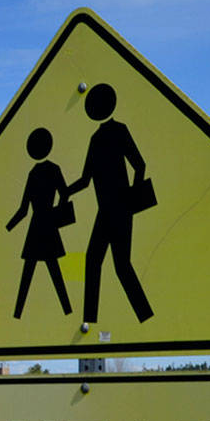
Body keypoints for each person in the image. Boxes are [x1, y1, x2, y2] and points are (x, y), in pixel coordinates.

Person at [68, 83, 154, 323]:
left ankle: (144, 315)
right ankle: (90, 320)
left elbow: (139, 164)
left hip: (120, 209)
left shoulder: (118, 131)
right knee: (94, 261)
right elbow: (86, 179)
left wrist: (132, 199)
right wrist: (66, 191)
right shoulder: (96, 138)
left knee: (121, 265)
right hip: (105, 211)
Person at [5, 126, 74, 319]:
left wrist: (9, 227)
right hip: (46, 225)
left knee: (34, 273)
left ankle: (19, 313)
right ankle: (66, 310)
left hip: (38, 226)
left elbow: (23, 210)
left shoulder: (34, 173)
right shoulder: (50, 170)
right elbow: (64, 193)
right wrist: (56, 213)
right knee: (48, 271)